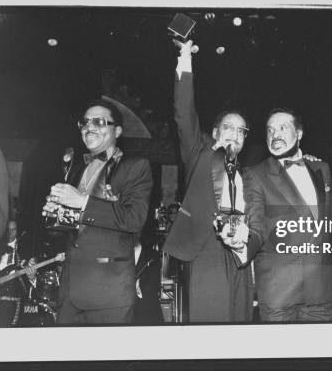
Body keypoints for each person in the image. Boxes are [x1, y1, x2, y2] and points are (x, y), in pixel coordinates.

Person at [162, 40, 254, 322]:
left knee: (241, 327)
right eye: (228, 127)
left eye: (241, 131)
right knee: (211, 329)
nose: (234, 134)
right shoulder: (198, 152)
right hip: (206, 249)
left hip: (241, 254)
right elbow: (184, 111)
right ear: (214, 133)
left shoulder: (247, 173)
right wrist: (185, 59)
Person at [42, 101, 153, 324]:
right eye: (85, 122)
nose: (89, 127)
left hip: (109, 294)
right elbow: (72, 232)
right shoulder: (75, 168)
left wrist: (82, 201)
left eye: (99, 122)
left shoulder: (135, 166)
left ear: (117, 131)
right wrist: (54, 215)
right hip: (70, 293)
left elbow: (134, 219)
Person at [221, 109, 332, 322]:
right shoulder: (255, 175)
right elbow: (256, 228)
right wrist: (240, 243)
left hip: (321, 291)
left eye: (283, 128)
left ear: (299, 134)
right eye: (270, 130)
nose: (275, 135)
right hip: (279, 294)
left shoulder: (322, 168)